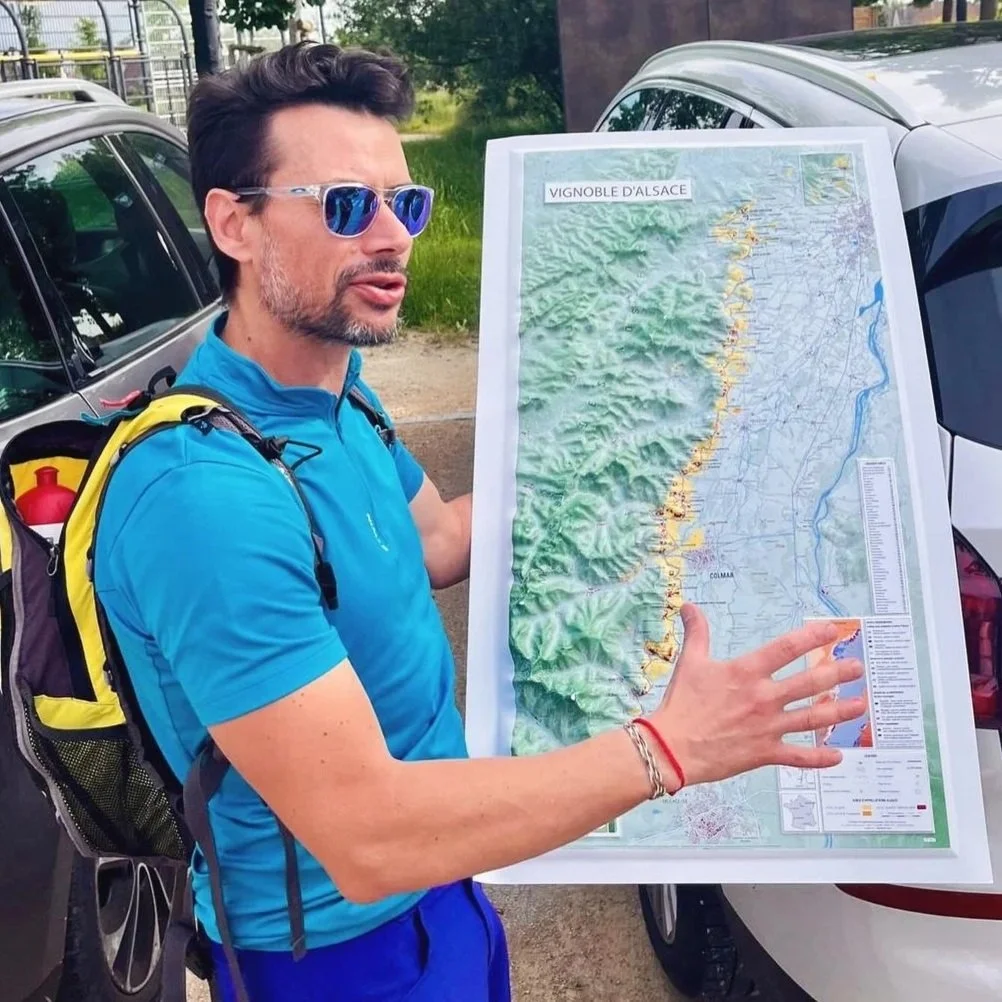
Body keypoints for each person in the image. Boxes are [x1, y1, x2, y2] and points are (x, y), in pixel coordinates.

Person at [92, 42, 866, 1002]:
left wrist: (631, 448)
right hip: (336, 955)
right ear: (234, 223)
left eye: (404, 205)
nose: (391, 237)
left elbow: (435, 544)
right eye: (344, 205)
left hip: (447, 892)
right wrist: (669, 748)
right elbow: (368, 834)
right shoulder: (202, 499)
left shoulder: (337, 397)